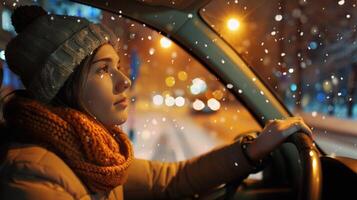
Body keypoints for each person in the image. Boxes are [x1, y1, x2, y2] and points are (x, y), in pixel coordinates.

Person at [0, 5, 312, 200]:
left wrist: (253, 149)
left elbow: (170, 180)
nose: (124, 81)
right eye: (103, 70)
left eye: (119, 66)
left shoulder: (94, 154)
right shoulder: (34, 174)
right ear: (63, 85)